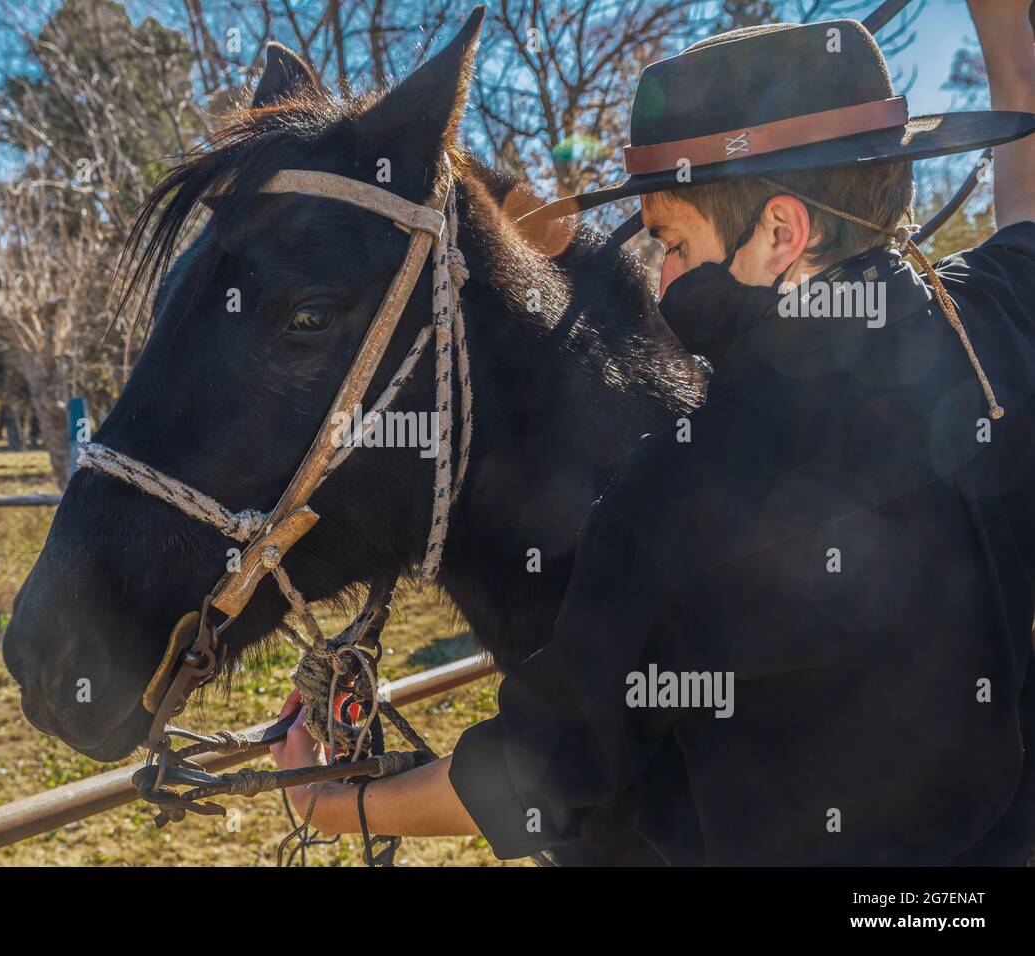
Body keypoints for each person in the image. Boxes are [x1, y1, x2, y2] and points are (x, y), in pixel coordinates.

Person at [271, 4, 1035, 865]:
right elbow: (1029, 218)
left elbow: (537, 783)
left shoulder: (680, 500)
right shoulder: (989, 330)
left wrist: (333, 805)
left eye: (672, 240)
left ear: (781, 233)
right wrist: (1008, 41)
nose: (660, 273)